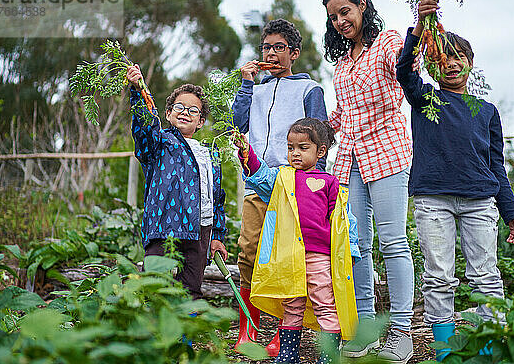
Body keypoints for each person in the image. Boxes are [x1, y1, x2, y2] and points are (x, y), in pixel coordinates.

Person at [396, 0, 514, 361]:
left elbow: (496, 166)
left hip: (479, 202)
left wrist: (512, 210)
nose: (451, 64)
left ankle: (491, 349)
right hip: (433, 200)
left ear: (470, 64)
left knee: (485, 276)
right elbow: (404, 71)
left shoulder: (485, 111)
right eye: (443, 59)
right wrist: (421, 27)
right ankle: (445, 352)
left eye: (459, 57)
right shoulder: (426, 99)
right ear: (434, 68)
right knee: (439, 277)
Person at [322, 0, 415, 363]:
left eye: (345, 12)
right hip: (350, 160)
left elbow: (408, 65)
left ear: (362, 7)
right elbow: (341, 117)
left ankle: (403, 332)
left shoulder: (388, 41)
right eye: (333, 17)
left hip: (387, 152)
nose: (341, 21)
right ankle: (365, 328)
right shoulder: (341, 64)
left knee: (393, 241)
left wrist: (422, 30)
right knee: (356, 247)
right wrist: (309, 135)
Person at [232, 18, 328, 354]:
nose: (271, 53)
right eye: (266, 48)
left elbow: (320, 136)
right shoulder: (254, 90)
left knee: (289, 257)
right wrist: (246, 84)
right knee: (248, 251)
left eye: (279, 48)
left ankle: (284, 331)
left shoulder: (309, 89)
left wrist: (315, 186)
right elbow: (238, 124)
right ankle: (249, 324)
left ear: (294, 53)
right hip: (257, 181)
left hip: (293, 185)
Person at [233, 118, 360, 364]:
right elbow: (260, 176)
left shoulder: (330, 183)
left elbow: (344, 221)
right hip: (290, 256)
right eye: (291, 148)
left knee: (325, 304)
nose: (295, 153)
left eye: (303, 147)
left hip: (320, 257)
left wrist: (350, 252)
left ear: (320, 151)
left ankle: (329, 356)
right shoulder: (283, 178)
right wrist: (247, 154)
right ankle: (287, 354)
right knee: (292, 304)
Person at [126, 65, 229, 300]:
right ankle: (155, 333)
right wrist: (139, 91)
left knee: (191, 287)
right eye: (179, 107)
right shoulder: (159, 143)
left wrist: (217, 235)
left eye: (193, 110)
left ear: (201, 121)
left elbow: (217, 198)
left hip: (200, 230)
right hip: (165, 225)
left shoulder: (210, 154)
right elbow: (144, 126)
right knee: (155, 283)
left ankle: (185, 335)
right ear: (168, 114)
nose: (185, 112)